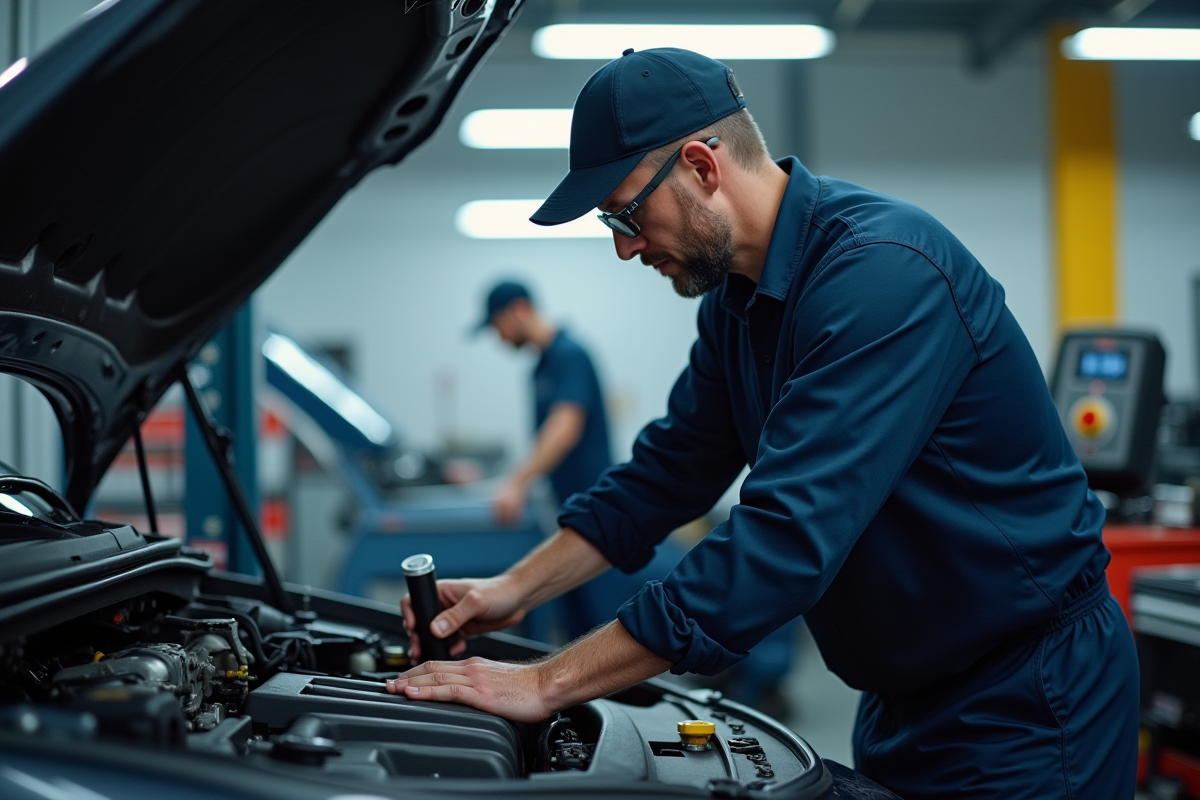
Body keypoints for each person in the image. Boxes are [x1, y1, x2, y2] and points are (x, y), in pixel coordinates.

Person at [391, 47, 1138, 799]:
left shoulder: (883, 277)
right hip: (902, 698)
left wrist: (548, 682)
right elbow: (667, 473)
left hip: (1030, 698)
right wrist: (514, 589)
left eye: (625, 213)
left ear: (701, 167)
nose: (623, 247)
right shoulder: (735, 305)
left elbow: (785, 538)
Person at [475, 279, 679, 640]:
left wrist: (516, 483)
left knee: (604, 629)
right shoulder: (541, 367)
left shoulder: (570, 354)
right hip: (570, 510)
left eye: (497, 325)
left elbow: (564, 428)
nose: (499, 337)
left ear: (519, 310)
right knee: (577, 626)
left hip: (596, 509)